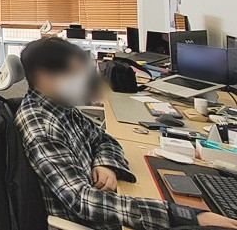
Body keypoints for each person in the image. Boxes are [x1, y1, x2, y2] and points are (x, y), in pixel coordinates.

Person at [15, 38, 237, 230]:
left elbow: (104, 139)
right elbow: (84, 202)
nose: (83, 78)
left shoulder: (61, 107)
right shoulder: (42, 127)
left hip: (108, 203)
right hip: (95, 220)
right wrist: (182, 215)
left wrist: (104, 164)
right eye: (75, 72)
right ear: (43, 76)